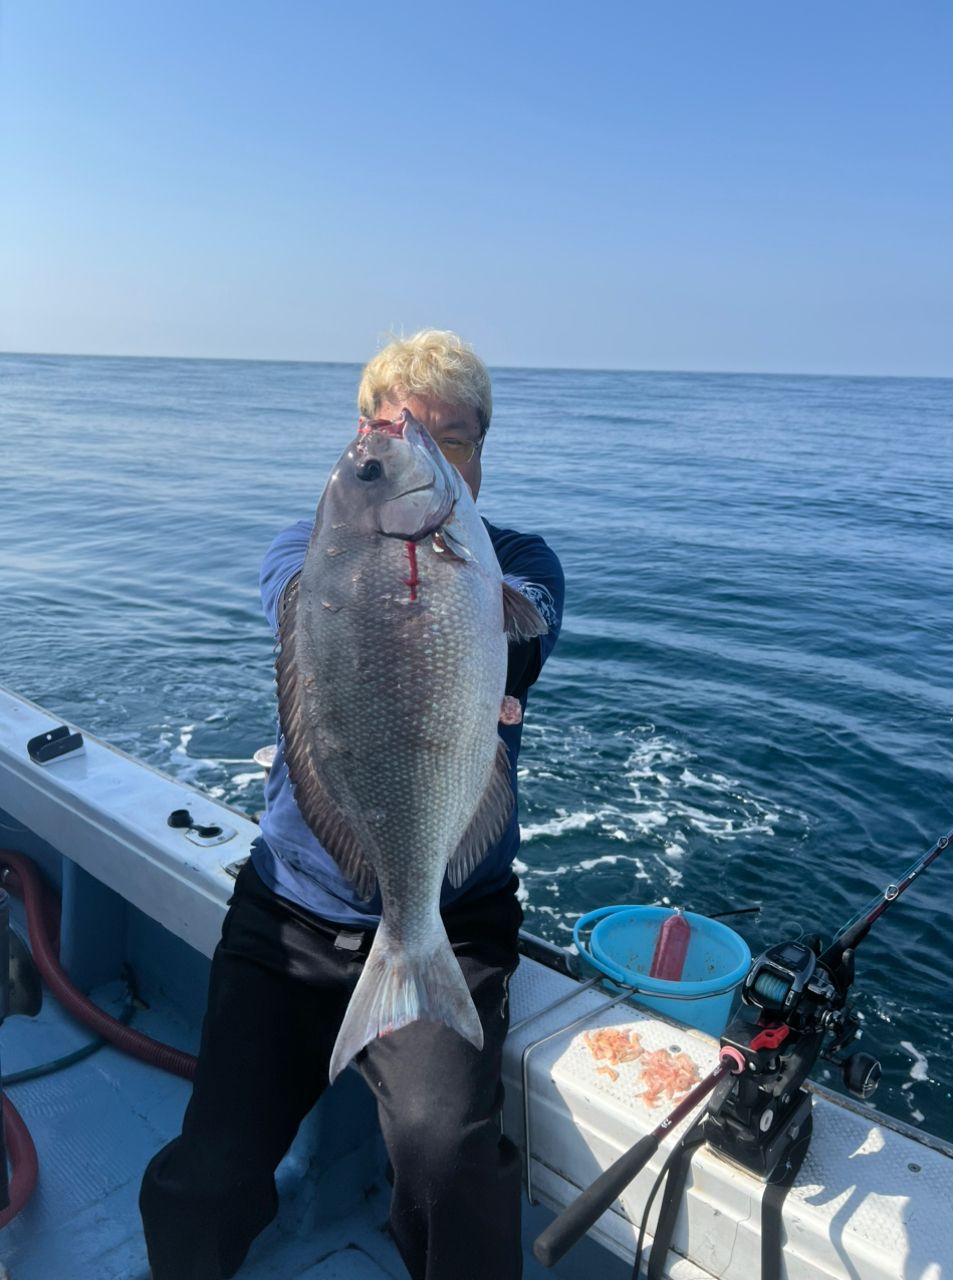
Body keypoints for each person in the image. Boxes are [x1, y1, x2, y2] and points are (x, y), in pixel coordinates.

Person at [140, 330, 565, 1280]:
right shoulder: (305, 549)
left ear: (480, 452)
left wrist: (462, 599)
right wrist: (381, 572)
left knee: (445, 1160)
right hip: (288, 915)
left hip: (449, 921)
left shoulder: (519, 559)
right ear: (358, 442)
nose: (425, 447)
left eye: (450, 436)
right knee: (201, 1176)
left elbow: (529, 631)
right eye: (392, 431)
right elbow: (297, 596)